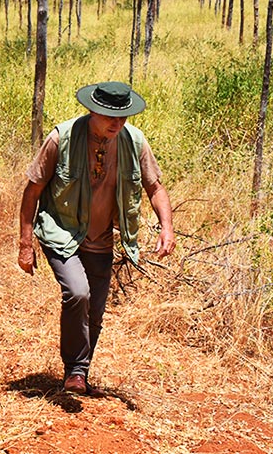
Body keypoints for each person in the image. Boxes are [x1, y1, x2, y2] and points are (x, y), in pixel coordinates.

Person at [18, 81, 176, 395]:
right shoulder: (60, 138)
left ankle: (80, 373)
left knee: (95, 310)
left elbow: (155, 188)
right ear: (92, 110)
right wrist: (25, 243)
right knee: (78, 293)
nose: (117, 123)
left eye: (123, 117)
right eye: (109, 117)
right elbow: (32, 190)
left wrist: (167, 227)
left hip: (102, 238)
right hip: (61, 232)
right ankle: (75, 371)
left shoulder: (134, 142)